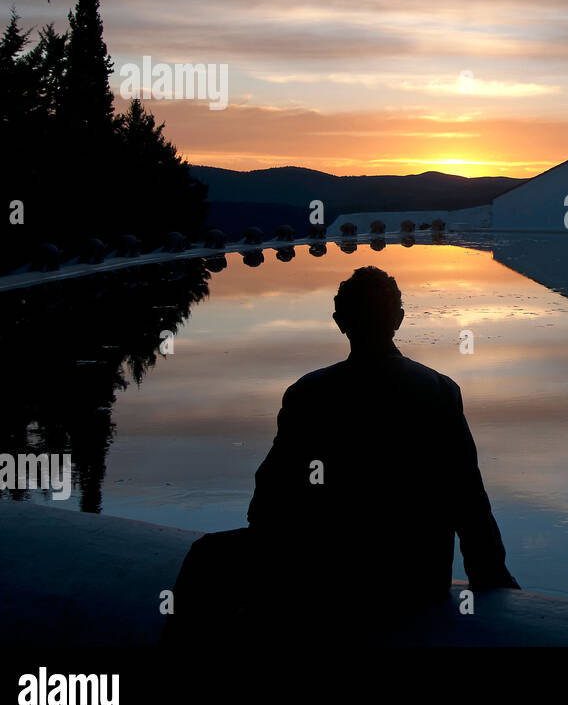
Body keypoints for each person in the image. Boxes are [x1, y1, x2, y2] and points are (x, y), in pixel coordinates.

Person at [162, 266, 518, 645]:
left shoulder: (309, 392)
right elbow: (467, 496)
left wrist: (272, 545)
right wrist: (491, 575)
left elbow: (272, 491)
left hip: (326, 569)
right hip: (415, 577)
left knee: (207, 557)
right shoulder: (439, 390)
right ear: (398, 318)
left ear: (340, 322)